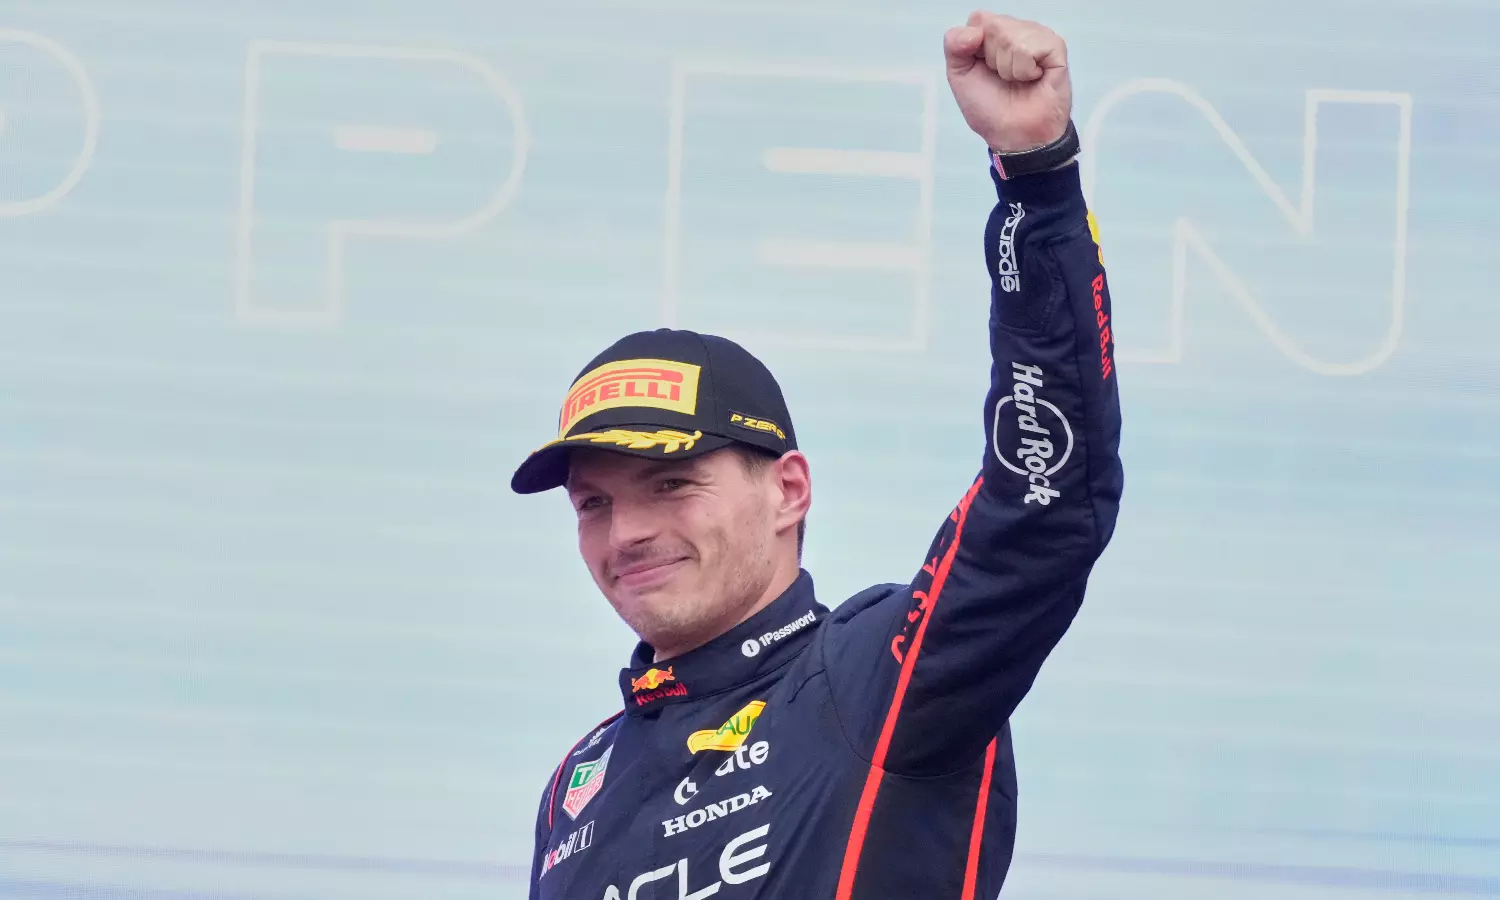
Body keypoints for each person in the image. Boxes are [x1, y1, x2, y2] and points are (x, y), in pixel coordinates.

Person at [510, 11, 1123, 899]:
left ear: (788, 490)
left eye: (672, 483)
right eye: (593, 504)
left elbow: (1045, 506)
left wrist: (1038, 181)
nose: (626, 532)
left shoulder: (878, 675)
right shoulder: (579, 785)